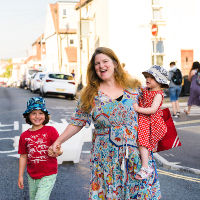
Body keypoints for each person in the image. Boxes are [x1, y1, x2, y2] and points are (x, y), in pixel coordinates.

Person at [48, 47, 162, 199]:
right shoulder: (89, 94)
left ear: (115, 64)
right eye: (97, 63)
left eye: (105, 61)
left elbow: (152, 109)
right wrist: (58, 141)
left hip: (136, 156)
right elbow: (77, 121)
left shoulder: (134, 88)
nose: (101, 66)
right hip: (106, 160)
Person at [18, 97, 63, 199]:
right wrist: (20, 175)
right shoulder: (24, 136)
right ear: (28, 115)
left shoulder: (51, 131)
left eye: (41, 113)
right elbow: (23, 156)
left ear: (45, 115)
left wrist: (58, 151)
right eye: (34, 113)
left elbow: (60, 149)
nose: (37, 116)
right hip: (32, 175)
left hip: (49, 173)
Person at [133, 65, 168, 180]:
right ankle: (145, 164)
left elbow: (153, 110)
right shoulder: (146, 89)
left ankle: (145, 166)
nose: (148, 79)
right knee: (141, 142)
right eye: (147, 76)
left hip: (151, 120)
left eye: (151, 77)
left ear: (160, 81)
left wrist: (138, 109)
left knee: (143, 142)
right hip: (143, 118)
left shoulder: (158, 94)